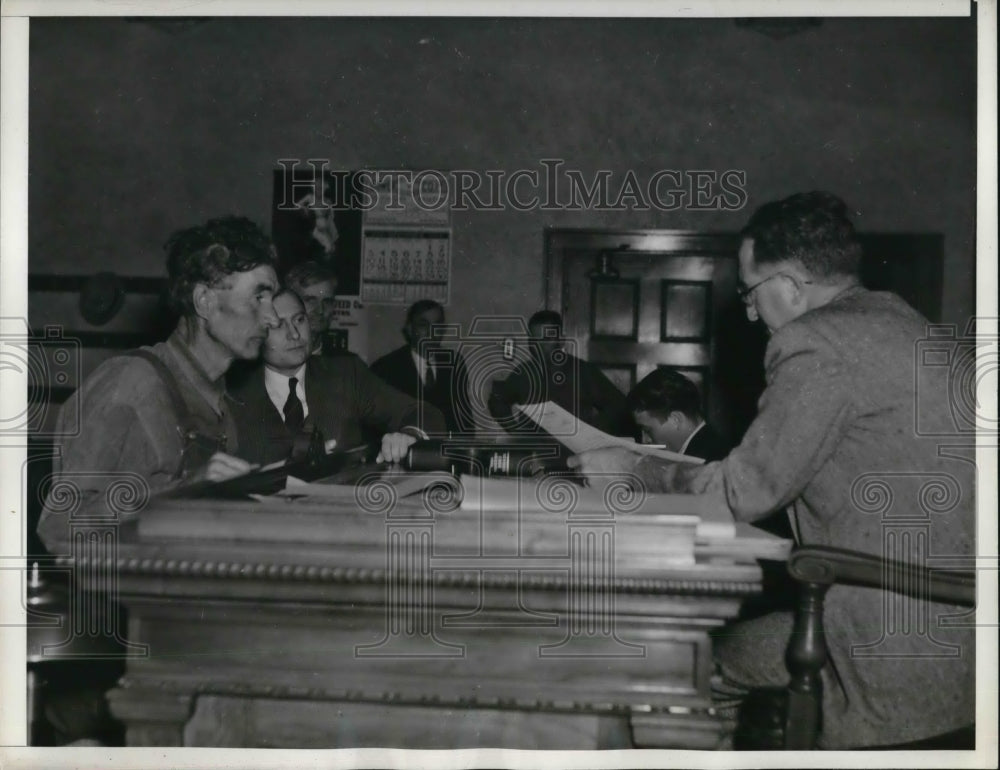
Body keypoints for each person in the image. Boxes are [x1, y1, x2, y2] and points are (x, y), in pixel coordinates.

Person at [568, 192, 975, 748]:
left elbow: (742, 492)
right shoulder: (909, 324)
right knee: (728, 651)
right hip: (959, 628)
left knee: (690, 670)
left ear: (790, 284)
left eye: (750, 292)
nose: (752, 312)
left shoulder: (816, 341)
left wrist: (633, 468)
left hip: (882, 636)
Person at [38, 216, 281, 550]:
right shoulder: (130, 386)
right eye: (259, 297)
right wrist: (184, 490)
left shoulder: (217, 398)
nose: (274, 317)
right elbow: (59, 527)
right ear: (205, 302)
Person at [230, 290, 445, 467]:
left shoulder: (344, 374)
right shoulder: (232, 389)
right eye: (278, 325)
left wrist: (408, 435)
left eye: (299, 319)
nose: (295, 334)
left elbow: (427, 415)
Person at [489, 310, 632, 438]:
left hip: (575, 453)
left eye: (546, 339)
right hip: (535, 453)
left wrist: (592, 430)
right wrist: (515, 430)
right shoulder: (524, 373)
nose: (538, 346)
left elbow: (618, 405)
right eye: (533, 340)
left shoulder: (583, 371)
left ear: (561, 340)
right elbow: (497, 401)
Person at [370, 299, 473, 435]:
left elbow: (465, 422)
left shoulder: (455, 363)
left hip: (446, 452)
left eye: (437, 325)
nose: (431, 332)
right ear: (410, 329)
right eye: (423, 325)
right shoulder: (385, 368)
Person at [626, 368, 730, 461]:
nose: (645, 440)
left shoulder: (699, 463)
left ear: (676, 419)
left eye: (648, 430)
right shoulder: (709, 448)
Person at [284, 260, 344, 357]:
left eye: (327, 302)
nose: (320, 310)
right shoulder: (268, 363)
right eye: (310, 300)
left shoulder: (347, 365)